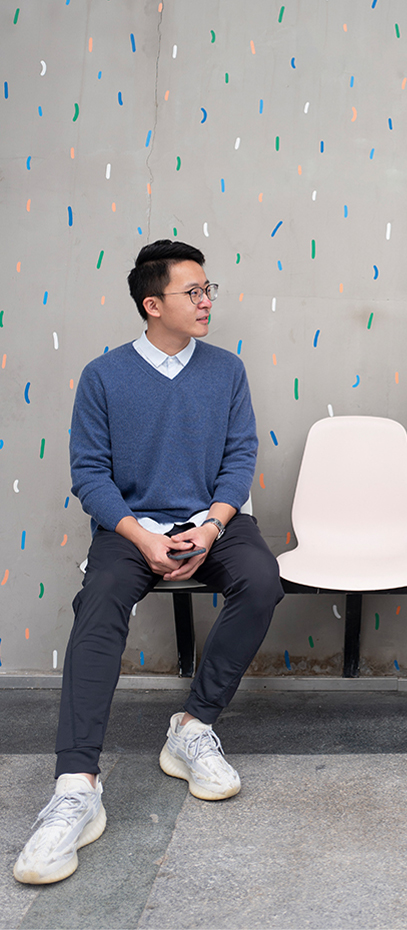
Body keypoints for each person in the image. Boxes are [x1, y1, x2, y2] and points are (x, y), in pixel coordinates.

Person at [14, 239, 284, 885]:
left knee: (262, 581)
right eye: (193, 291)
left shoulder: (226, 370)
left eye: (208, 289)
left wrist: (212, 526)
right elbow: (90, 474)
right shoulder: (104, 376)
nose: (206, 300)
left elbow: (240, 456)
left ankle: (192, 726)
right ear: (152, 304)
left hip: (211, 521)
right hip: (131, 529)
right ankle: (76, 786)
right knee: (99, 601)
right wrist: (141, 537)